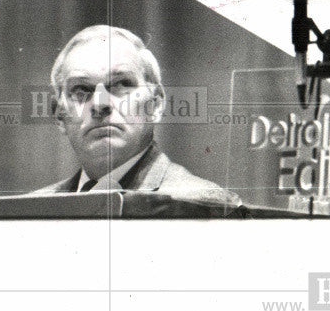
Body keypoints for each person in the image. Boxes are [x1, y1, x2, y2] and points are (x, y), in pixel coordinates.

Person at [35, 25, 244, 210]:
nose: (99, 104)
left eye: (121, 84)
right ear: (59, 114)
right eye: (81, 89)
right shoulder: (32, 209)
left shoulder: (200, 203)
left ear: (156, 104)